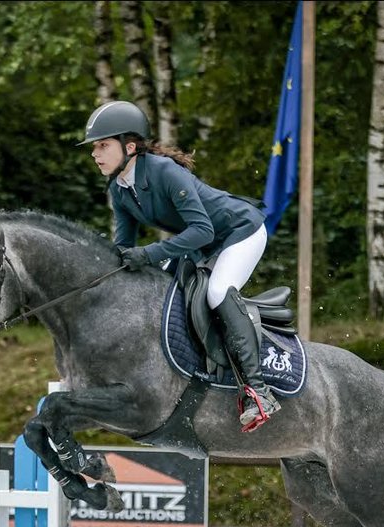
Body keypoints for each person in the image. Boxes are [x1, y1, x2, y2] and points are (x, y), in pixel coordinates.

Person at [78, 99, 281, 431]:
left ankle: (258, 391)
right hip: (203, 241)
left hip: (239, 231)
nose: (94, 153)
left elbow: (202, 230)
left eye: (102, 145)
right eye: (94, 147)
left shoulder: (164, 171)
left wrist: (148, 254)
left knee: (217, 291)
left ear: (129, 147)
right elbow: (123, 247)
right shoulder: (119, 188)